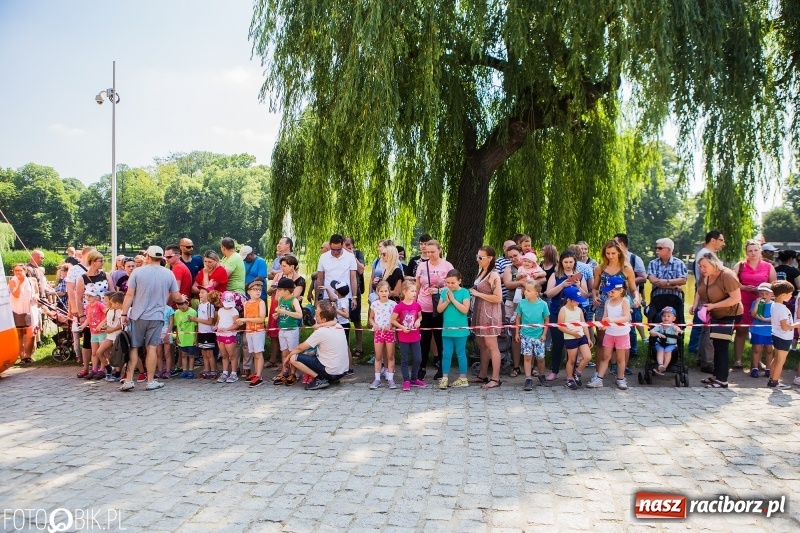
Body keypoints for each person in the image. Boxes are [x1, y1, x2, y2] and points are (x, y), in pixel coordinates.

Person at [119, 246, 182, 391]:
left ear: (147, 256)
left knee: (134, 347)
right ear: (162, 258)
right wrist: (181, 300)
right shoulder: (168, 273)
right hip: (157, 316)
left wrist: (123, 314)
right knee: (152, 348)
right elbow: (176, 296)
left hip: (137, 315)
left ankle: (128, 380)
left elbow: (129, 295)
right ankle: (151, 381)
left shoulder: (137, 272)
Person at [691, 252, 742, 389]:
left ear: (714, 264)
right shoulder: (705, 275)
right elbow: (699, 290)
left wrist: (714, 306)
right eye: (700, 266)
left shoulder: (727, 275)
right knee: (715, 344)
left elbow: (736, 298)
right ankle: (716, 375)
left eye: (704, 266)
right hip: (714, 313)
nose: (702, 269)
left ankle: (722, 380)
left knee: (721, 346)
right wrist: (695, 304)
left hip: (729, 313)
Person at [544, 250, 589, 381]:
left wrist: (579, 286)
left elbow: (585, 295)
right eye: (566, 262)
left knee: (573, 343)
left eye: (571, 262)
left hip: (574, 314)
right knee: (557, 342)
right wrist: (562, 285)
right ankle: (555, 371)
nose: (568, 264)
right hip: (557, 312)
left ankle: (572, 373)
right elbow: (549, 293)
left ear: (574, 262)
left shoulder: (579, 276)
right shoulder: (555, 275)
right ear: (561, 262)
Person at [733, 239, 776, 370]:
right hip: (744, 301)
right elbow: (731, 283)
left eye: (755, 250)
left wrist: (763, 290)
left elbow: (774, 284)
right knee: (741, 330)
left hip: (762, 302)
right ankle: (738, 360)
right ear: (746, 252)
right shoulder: (740, 265)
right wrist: (744, 287)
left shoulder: (768, 266)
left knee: (761, 332)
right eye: (750, 251)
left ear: (760, 251)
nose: (753, 253)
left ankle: (758, 362)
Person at [287, 300, 350, 390]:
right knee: (312, 353)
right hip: (341, 373)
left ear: (324, 319)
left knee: (294, 358)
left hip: (330, 372)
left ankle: (319, 379)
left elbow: (301, 347)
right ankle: (330, 378)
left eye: (317, 316)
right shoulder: (339, 326)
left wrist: (288, 357)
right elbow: (334, 320)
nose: (315, 318)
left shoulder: (321, 331)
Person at [415, 239, 453, 380]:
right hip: (423, 305)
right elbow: (417, 286)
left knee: (440, 338)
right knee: (423, 339)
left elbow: (452, 285)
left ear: (440, 250)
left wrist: (439, 289)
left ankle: (442, 368)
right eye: (427, 252)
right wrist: (414, 304)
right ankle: (422, 367)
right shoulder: (422, 266)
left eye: (433, 252)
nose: (430, 254)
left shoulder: (447, 266)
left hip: (440, 307)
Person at [688, 230, 726, 360]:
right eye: (721, 240)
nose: (723, 243)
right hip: (707, 295)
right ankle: (700, 354)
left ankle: (699, 354)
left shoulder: (704, 253)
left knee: (703, 327)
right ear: (713, 240)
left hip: (704, 293)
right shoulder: (707, 255)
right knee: (704, 327)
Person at [470, 246, 504, 389]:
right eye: (477, 256)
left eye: (481, 257)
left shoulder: (493, 275)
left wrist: (478, 294)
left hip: (489, 314)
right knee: (481, 345)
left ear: (489, 258)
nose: (478, 260)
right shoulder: (482, 272)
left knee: (492, 346)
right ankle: (482, 374)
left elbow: (498, 298)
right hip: (479, 312)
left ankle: (495, 378)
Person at [75, 251, 113, 378]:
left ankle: (103, 367)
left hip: (104, 311)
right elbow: (79, 298)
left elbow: (112, 292)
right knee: (88, 342)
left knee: (104, 342)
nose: (102, 262)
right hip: (90, 313)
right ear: (92, 262)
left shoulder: (106, 275)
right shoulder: (82, 278)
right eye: (100, 260)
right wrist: (82, 315)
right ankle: (88, 367)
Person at [267, 255, 306, 367]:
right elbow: (275, 296)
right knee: (282, 344)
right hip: (281, 313)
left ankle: (294, 370)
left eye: (284, 266)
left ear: (292, 266)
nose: (281, 268)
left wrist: (284, 286)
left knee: (293, 348)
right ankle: (284, 369)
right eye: (281, 266)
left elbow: (292, 297)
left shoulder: (300, 280)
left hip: (294, 316)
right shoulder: (279, 276)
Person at [593, 275, 631, 390]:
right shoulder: (608, 302)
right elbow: (605, 317)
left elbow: (626, 317)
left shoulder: (625, 302)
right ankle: (599, 379)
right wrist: (603, 326)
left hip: (622, 334)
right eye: (609, 291)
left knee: (620, 358)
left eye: (613, 291)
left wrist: (613, 321)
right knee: (605, 357)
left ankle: (620, 379)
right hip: (609, 334)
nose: (610, 294)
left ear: (621, 290)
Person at [436, 269, 471, 390]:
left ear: (459, 281)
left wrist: (454, 300)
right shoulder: (444, 292)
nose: (450, 285)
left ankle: (463, 378)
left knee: (461, 354)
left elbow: (465, 310)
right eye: (448, 282)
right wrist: (447, 300)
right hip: (447, 329)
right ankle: (444, 377)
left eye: (453, 283)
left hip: (460, 330)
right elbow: (439, 309)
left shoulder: (465, 292)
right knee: (446, 354)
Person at [613, 233, 646, 359]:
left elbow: (643, 277)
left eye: (615, 243)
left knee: (632, 324)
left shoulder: (634, 259)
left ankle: (633, 351)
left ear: (621, 244)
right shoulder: (613, 259)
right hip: (616, 298)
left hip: (631, 298)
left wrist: (628, 282)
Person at [514, 280, 549, 390]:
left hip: (539, 335)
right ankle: (528, 379)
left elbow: (547, 320)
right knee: (527, 357)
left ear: (536, 293)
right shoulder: (522, 303)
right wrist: (517, 332)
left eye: (529, 290)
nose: (525, 292)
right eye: (525, 290)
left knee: (540, 358)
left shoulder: (543, 304)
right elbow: (518, 318)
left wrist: (544, 334)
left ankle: (542, 375)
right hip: (525, 334)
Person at [558, 286, 594, 390]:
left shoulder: (579, 310)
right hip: (570, 337)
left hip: (581, 336)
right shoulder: (563, 310)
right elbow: (560, 326)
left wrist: (588, 338)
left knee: (587, 357)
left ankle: (577, 373)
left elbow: (584, 324)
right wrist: (572, 333)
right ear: (568, 300)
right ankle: (569, 379)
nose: (578, 302)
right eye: (576, 300)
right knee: (572, 360)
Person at [392, 281, 425, 391]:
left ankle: (414, 378)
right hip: (404, 337)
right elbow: (393, 320)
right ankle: (406, 380)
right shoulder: (399, 306)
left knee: (418, 358)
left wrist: (419, 321)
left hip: (415, 336)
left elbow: (420, 317)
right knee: (404, 359)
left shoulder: (417, 305)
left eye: (415, 291)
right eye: (412, 291)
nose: (415, 293)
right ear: (405, 292)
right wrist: (402, 327)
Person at [768, 280, 800, 389]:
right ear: (783, 295)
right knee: (780, 361)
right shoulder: (782, 309)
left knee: (776, 359)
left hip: (777, 335)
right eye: (790, 293)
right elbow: (785, 326)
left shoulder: (774, 305)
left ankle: (772, 379)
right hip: (783, 337)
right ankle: (775, 382)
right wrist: (796, 325)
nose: (791, 296)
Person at [271, 277, 304, 385]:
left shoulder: (293, 300)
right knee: (284, 352)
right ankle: (285, 372)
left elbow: (299, 315)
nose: (278, 291)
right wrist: (278, 314)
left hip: (291, 330)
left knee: (292, 352)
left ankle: (293, 373)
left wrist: (284, 311)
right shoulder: (281, 300)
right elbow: (282, 312)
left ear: (286, 290)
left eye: (279, 289)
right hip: (283, 329)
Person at [236, 279, 267, 387]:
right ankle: (256, 373)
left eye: (259, 289)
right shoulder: (246, 303)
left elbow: (261, 319)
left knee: (258, 353)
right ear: (249, 291)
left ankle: (259, 375)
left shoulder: (261, 302)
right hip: (249, 331)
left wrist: (245, 319)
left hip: (258, 331)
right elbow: (246, 317)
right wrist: (242, 320)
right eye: (255, 289)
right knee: (254, 353)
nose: (258, 292)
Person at [368, 281, 397, 389]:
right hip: (378, 333)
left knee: (390, 356)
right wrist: (374, 324)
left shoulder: (393, 304)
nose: (384, 293)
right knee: (378, 356)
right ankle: (377, 379)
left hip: (389, 332)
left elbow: (396, 318)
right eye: (381, 291)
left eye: (386, 291)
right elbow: (371, 317)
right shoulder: (375, 304)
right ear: (377, 292)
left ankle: (390, 378)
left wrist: (390, 324)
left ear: (389, 291)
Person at [78, 285, 108, 379]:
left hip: (101, 332)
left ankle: (102, 369)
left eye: (90, 296)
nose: (88, 298)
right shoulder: (87, 307)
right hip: (93, 332)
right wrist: (83, 326)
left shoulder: (100, 305)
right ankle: (94, 369)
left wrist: (102, 324)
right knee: (94, 352)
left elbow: (108, 314)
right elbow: (88, 318)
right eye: (87, 295)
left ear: (97, 297)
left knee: (101, 351)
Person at [9, 263, 37, 364]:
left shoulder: (32, 280)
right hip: (17, 308)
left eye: (20, 270)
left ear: (25, 271)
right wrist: (20, 283)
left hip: (29, 308)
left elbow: (37, 292)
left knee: (31, 333)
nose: (17, 273)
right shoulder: (13, 281)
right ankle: (21, 356)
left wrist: (36, 296)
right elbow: (16, 295)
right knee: (19, 334)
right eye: (15, 270)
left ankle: (28, 356)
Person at [344, 236, 366, 360]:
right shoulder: (339, 255)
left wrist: (352, 255)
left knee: (356, 319)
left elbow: (361, 270)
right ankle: (345, 347)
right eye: (345, 245)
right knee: (344, 320)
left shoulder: (357, 254)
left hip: (355, 290)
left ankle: (359, 347)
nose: (346, 247)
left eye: (349, 245)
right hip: (342, 291)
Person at [214, 291, 241, 383]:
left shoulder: (234, 311)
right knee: (224, 355)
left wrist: (227, 329)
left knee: (232, 355)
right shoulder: (220, 310)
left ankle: (234, 373)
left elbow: (236, 325)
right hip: (220, 335)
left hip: (229, 335)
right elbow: (218, 321)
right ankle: (225, 372)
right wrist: (216, 326)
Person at [98, 291, 124, 381]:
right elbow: (109, 322)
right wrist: (105, 326)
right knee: (100, 352)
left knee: (118, 354)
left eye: (106, 301)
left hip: (117, 335)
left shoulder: (119, 310)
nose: (104, 303)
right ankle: (108, 368)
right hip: (110, 335)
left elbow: (122, 324)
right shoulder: (109, 310)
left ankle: (118, 373)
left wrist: (112, 329)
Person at [749, 282, 774, 378]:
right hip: (757, 330)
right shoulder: (755, 303)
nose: (764, 296)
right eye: (761, 293)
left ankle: (768, 369)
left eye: (766, 294)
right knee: (756, 349)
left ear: (771, 294)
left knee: (769, 350)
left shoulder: (774, 305)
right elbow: (753, 314)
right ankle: (754, 368)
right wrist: (757, 303)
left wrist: (765, 319)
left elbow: (775, 317)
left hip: (769, 331)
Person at [193, 287, 218, 379]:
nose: (200, 294)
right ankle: (206, 370)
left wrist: (196, 319)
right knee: (203, 353)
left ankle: (213, 371)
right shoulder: (199, 305)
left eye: (202, 292)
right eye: (199, 293)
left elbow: (210, 321)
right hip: (201, 332)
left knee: (209, 353)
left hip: (208, 332)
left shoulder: (209, 305)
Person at [649, 306, 682, 375]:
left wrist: (679, 330)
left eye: (668, 316)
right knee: (660, 351)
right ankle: (660, 365)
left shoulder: (673, 326)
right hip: (660, 343)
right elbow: (651, 332)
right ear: (661, 317)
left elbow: (677, 329)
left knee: (667, 352)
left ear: (674, 318)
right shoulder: (660, 325)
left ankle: (664, 367)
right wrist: (657, 333)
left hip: (671, 344)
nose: (666, 318)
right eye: (664, 316)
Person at [173, 297, 198, 379]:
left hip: (190, 337)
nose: (181, 309)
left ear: (187, 303)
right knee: (183, 355)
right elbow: (176, 326)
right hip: (182, 338)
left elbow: (196, 327)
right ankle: (184, 371)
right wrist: (177, 337)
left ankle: (190, 371)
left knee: (191, 355)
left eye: (183, 307)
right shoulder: (176, 313)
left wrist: (196, 338)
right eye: (179, 308)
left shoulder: (193, 312)